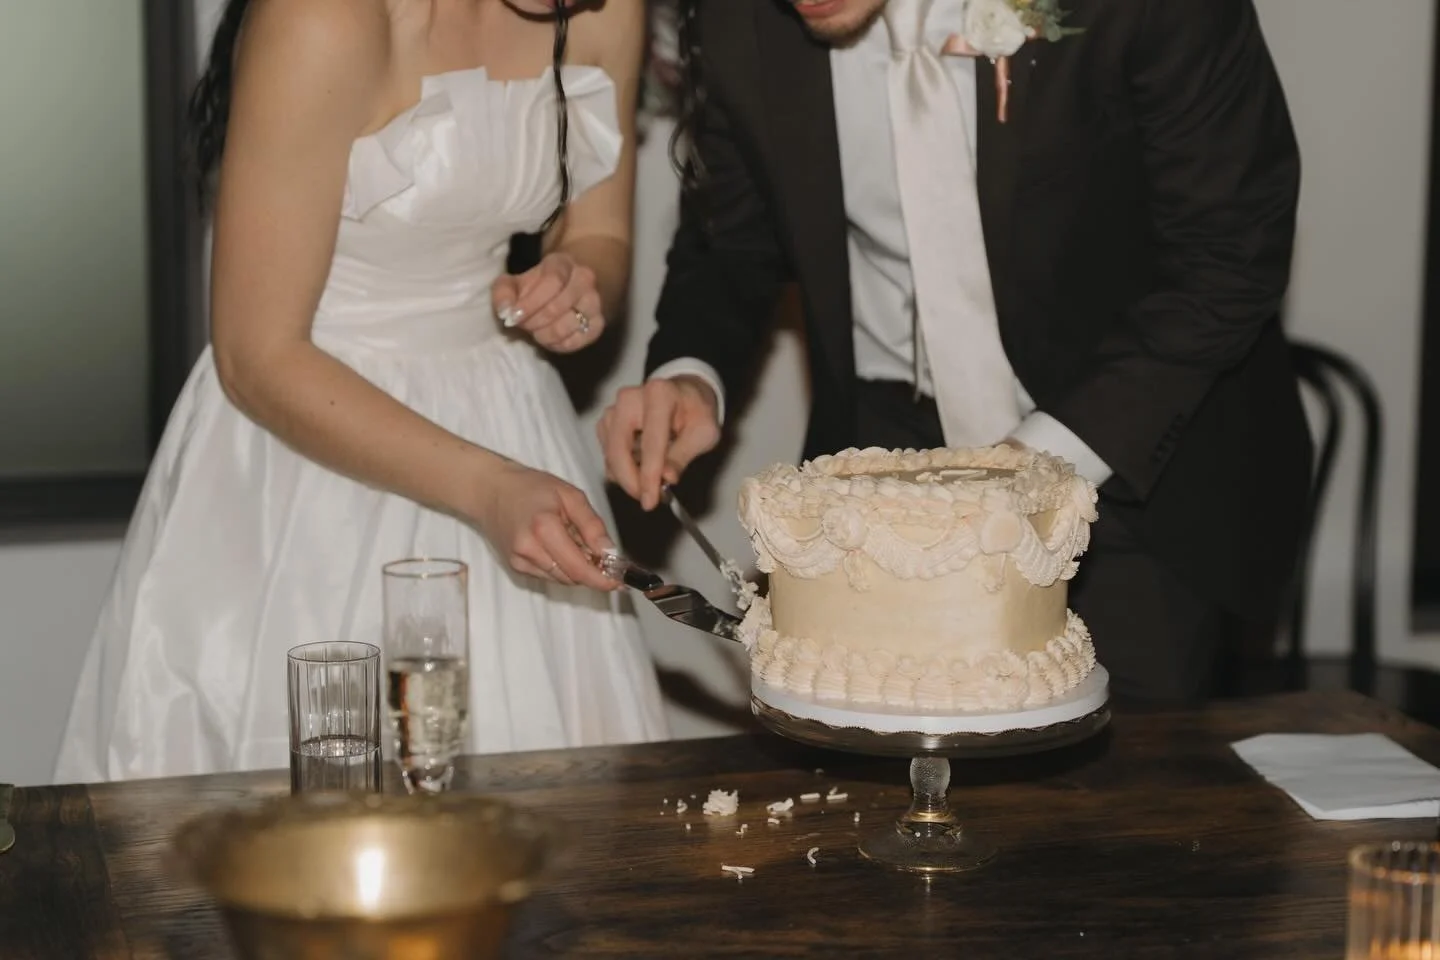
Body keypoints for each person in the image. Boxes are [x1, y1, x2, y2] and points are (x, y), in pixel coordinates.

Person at [598, 0, 1312, 705]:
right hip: (880, 463)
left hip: (1129, 459)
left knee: (1122, 802)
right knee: (877, 792)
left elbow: (1231, 254)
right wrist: (689, 371)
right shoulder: (738, 21)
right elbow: (730, 241)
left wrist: (1027, 467)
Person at [56, 0, 669, 782]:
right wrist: (486, 488)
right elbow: (255, 355)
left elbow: (602, 235)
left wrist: (577, 286)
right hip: (309, 439)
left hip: (509, 416)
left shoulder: (604, 9)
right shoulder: (324, 19)